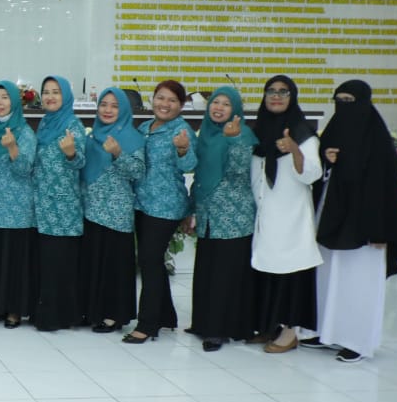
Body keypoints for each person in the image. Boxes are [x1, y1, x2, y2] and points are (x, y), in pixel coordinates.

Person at [307, 80, 397, 362]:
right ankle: (326, 333)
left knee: (358, 284)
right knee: (328, 279)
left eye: (349, 100)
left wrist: (382, 231)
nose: (343, 106)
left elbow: (386, 189)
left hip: (366, 228)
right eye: (339, 100)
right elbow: (318, 175)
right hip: (332, 221)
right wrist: (326, 160)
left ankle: (357, 341)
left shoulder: (376, 140)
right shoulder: (333, 132)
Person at [250, 75, 322, 353]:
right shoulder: (258, 131)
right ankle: (268, 326)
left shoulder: (302, 133)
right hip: (264, 213)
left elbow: (312, 174)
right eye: (271, 91)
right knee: (266, 272)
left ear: (293, 97)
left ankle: (290, 332)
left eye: (283, 92)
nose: (276, 96)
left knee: (290, 273)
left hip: (290, 216)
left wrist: (294, 150)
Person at [187, 86, 257, 351]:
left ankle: (218, 330)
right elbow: (199, 175)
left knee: (224, 276)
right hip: (208, 215)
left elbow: (240, 171)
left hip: (233, 216)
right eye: (215, 103)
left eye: (226, 104)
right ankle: (203, 323)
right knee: (206, 271)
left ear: (235, 109)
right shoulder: (206, 134)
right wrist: (192, 209)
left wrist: (234, 139)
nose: (219, 108)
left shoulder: (243, 134)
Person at [127, 80, 196, 343]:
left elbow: (190, 165)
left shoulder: (181, 130)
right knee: (152, 260)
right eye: (160, 98)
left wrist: (183, 149)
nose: (164, 104)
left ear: (181, 105)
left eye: (172, 100)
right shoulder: (144, 128)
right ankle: (166, 316)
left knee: (149, 260)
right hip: (142, 203)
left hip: (166, 206)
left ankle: (147, 324)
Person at [80, 88, 145, 334]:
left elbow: (138, 172)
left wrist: (118, 153)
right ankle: (92, 311)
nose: (107, 110)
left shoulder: (133, 138)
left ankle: (113, 315)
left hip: (117, 212)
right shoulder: (92, 137)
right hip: (91, 209)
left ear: (124, 110)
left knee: (114, 265)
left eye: (114, 106)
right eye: (103, 104)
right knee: (93, 262)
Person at [0, 80, 37, 328]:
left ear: (14, 101)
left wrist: (12, 147)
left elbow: (25, 169)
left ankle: (14, 310)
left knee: (14, 259)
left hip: (16, 208)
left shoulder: (24, 132)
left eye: (5, 97)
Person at [32, 75, 87, 332]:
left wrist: (71, 153)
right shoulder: (45, 123)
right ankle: (46, 311)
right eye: (46, 92)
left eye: (56, 92)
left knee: (60, 262)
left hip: (64, 206)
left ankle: (60, 316)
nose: (50, 96)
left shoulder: (73, 125)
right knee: (47, 262)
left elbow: (81, 162)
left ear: (65, 96)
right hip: (43, 203)